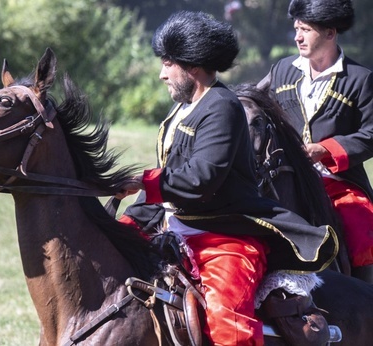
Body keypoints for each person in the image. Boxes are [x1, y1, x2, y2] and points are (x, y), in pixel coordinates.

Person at [116, 11, 338, 346]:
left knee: (227, 322)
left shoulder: (222, 106)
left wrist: (143, 181)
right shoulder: (181, 110)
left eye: (167, 64)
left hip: (225, 234)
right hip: (177, 227)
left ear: (192, 65)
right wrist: (129, 221)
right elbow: (169, 182)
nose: (162, 75)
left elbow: (203, 178)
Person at [259, 0, 373, 283]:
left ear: (331, 33)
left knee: (363, 229)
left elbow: (370, 134)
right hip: (282, 176)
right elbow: (254, 108)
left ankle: (364, 297)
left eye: (306, 29)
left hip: (337, 182)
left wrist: (325, 150)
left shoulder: (361, 79)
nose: (297, 36)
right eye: (296, 28)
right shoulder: (282, 70)